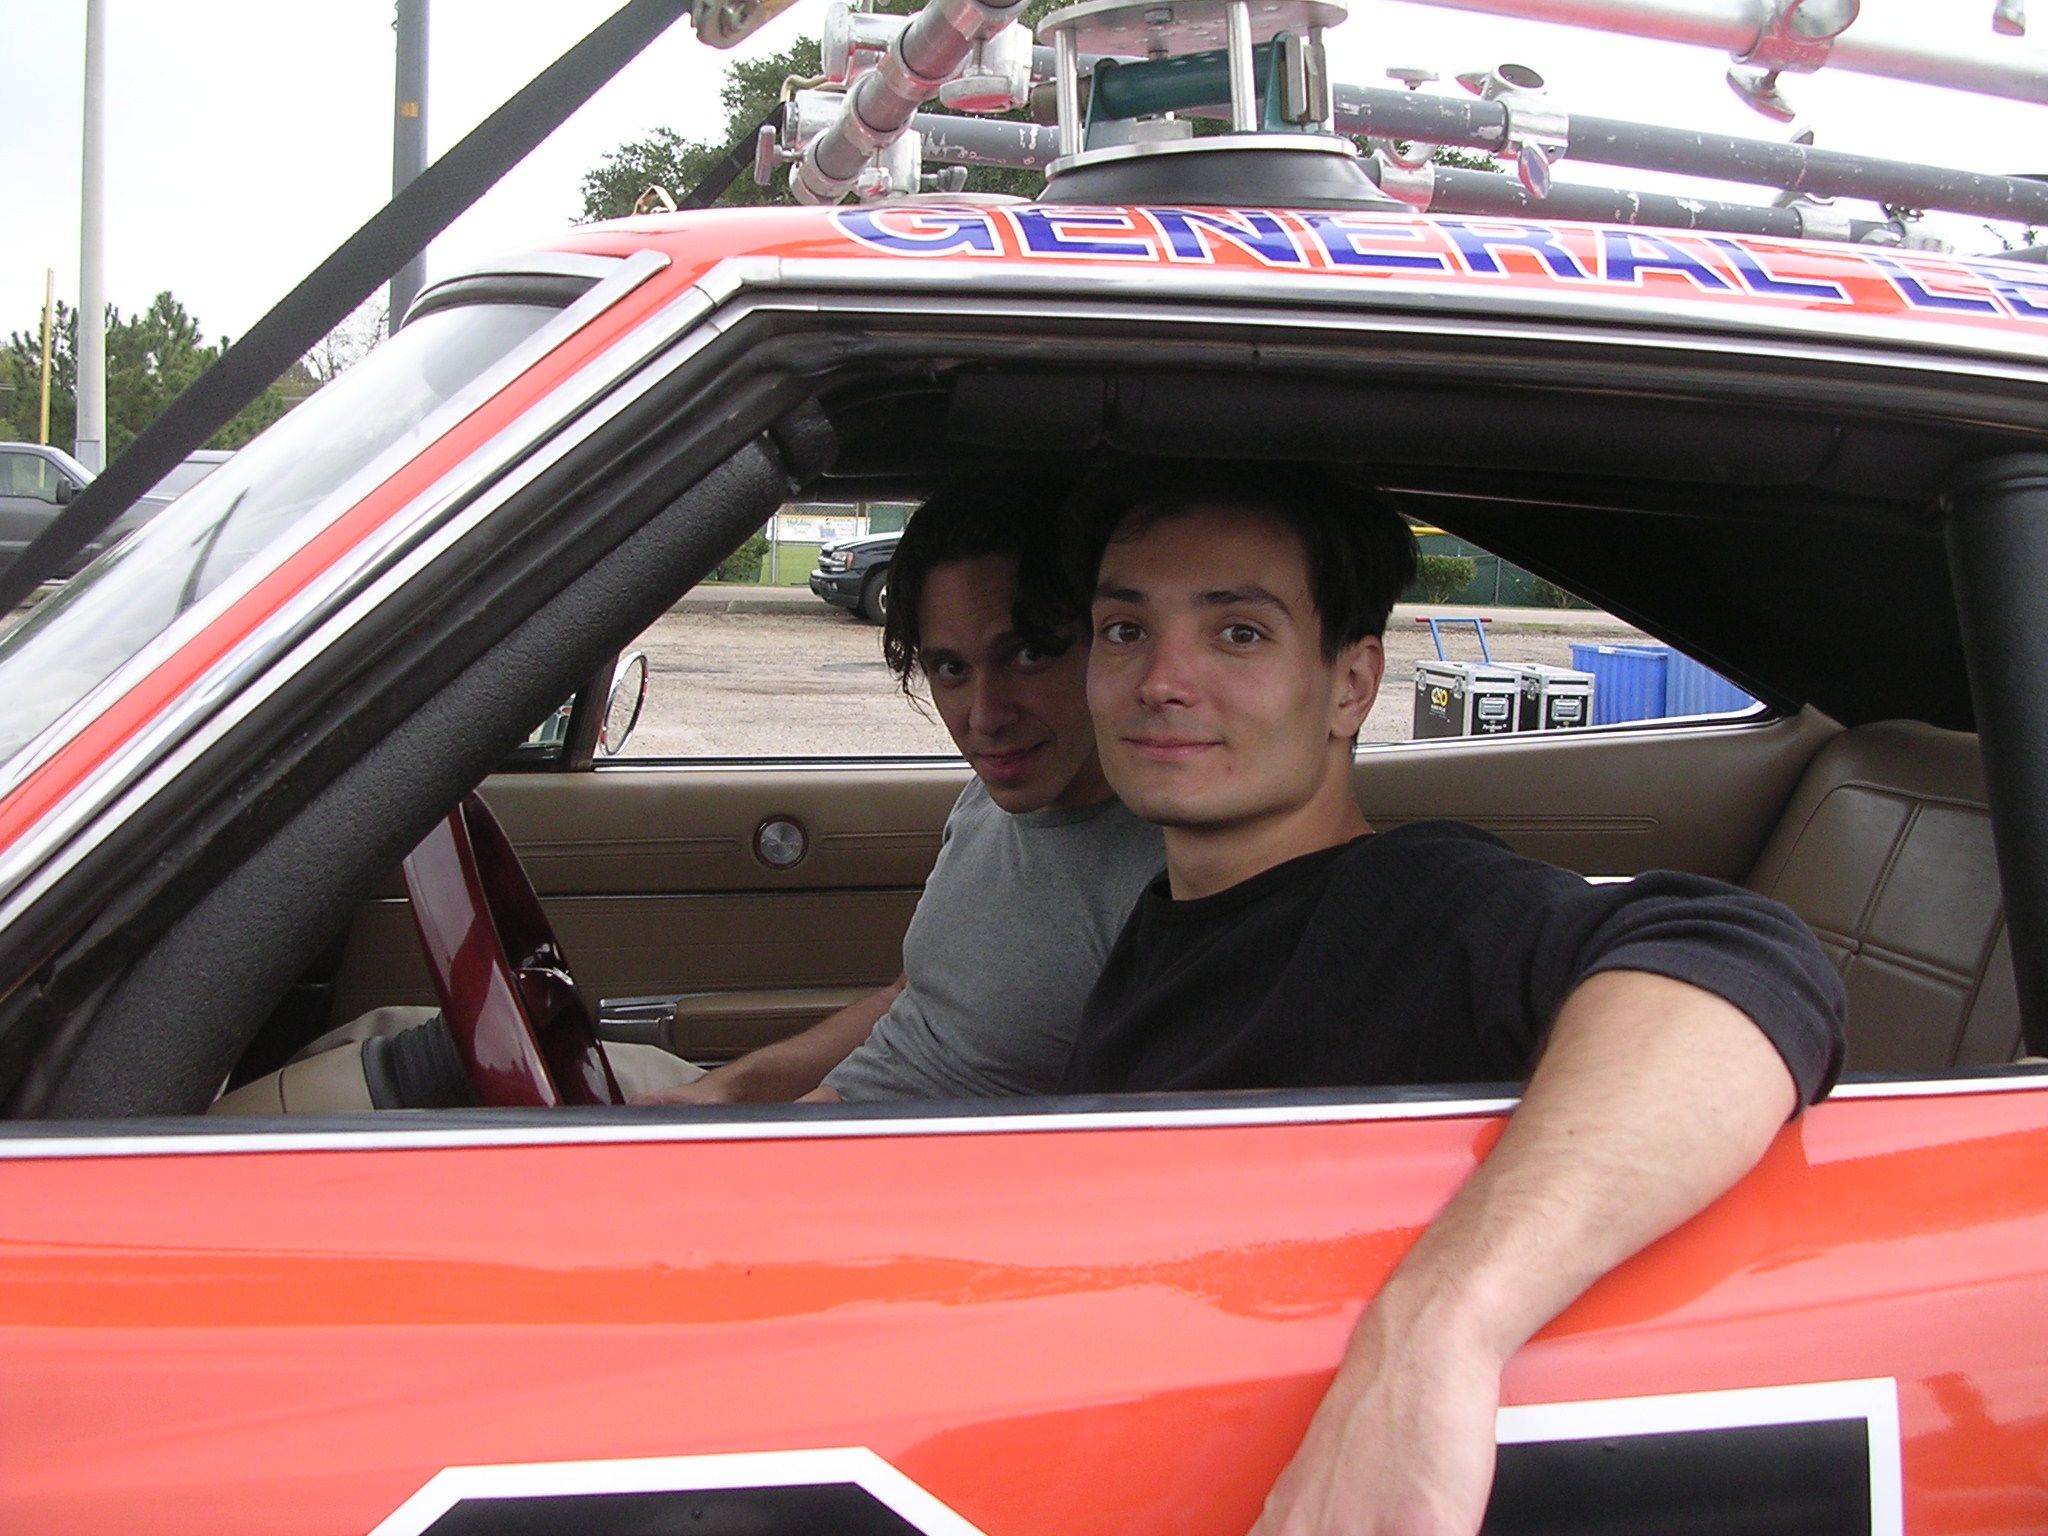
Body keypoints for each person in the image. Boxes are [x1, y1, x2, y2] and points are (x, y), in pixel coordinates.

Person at [1057, 463, 1846, 1536]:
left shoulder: (1413, 904)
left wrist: (1438, 1334)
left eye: (1237, 633)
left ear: (1348, 685)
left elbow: (1737, 955)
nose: (1160, 679)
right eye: (1122, 630)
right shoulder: (1180, 910)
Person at [644, 475, 1162, 1105]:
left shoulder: (1165, 875)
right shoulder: (989, 795)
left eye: (1027, 654)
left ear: (1110, 645)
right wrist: (728, 1091)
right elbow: (906, 999)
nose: (984, 716)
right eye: (951, 668)